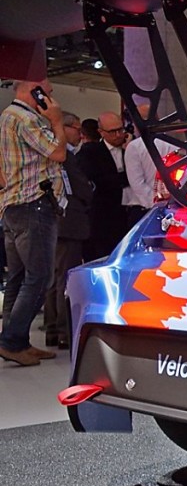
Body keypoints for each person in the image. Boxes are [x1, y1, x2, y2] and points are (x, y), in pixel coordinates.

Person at [0, 79, 67, 366]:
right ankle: (12, 341)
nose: (51, 98)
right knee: (40, 277)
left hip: (14, 205)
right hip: (33, 204)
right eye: (48, 93)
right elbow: (59, 153)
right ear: (35, 92)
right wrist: (57, 121)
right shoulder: (27, 119)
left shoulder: (6, 117)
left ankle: (16, 340)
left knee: (18, 277)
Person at [43, 111, 93, 349]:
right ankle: (64, 330)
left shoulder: (47, 153)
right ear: (63, 128)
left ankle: (53, 328)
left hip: (55, 222)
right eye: (76, 128)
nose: (80, 133)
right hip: (69, 220)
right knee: (65, 277)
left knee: (54, 276)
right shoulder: (65, 156)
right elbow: (80, 187)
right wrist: (88, 194)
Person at [79, 110, 129, 260]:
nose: (118, 135)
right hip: (103, 215)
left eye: (121, 130)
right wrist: (125, 178)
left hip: (126, 213)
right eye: (112, 132)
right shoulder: (91, 152)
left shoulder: (130, 150)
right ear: (101, 132)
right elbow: (101, 180)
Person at [123, 104, 178, 226]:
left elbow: (137, 183)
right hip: (169, 207)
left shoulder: (134, 147)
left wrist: (154, 203)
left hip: (144, 209)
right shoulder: (173, 145)